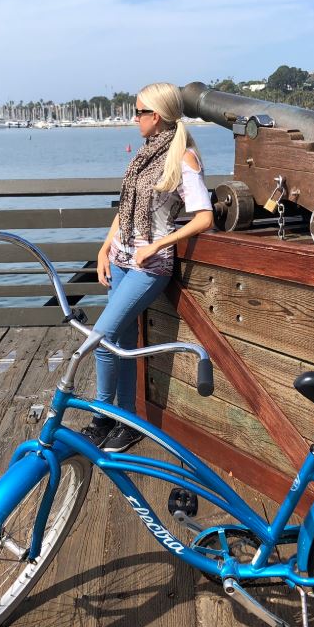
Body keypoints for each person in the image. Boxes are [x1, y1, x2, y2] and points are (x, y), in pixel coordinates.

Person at [81, 82, 214, 452]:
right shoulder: (143, 154)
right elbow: (124, 209)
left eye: (138, 111)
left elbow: (204, 218)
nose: (133, 118)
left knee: (103, 340)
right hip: (121, 259)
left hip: (149, 267)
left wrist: (158, 244)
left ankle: (101, 417)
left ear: (155, 116)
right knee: (121, 341)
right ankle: (128, 420)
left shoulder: (182, 157)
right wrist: (105, 247)